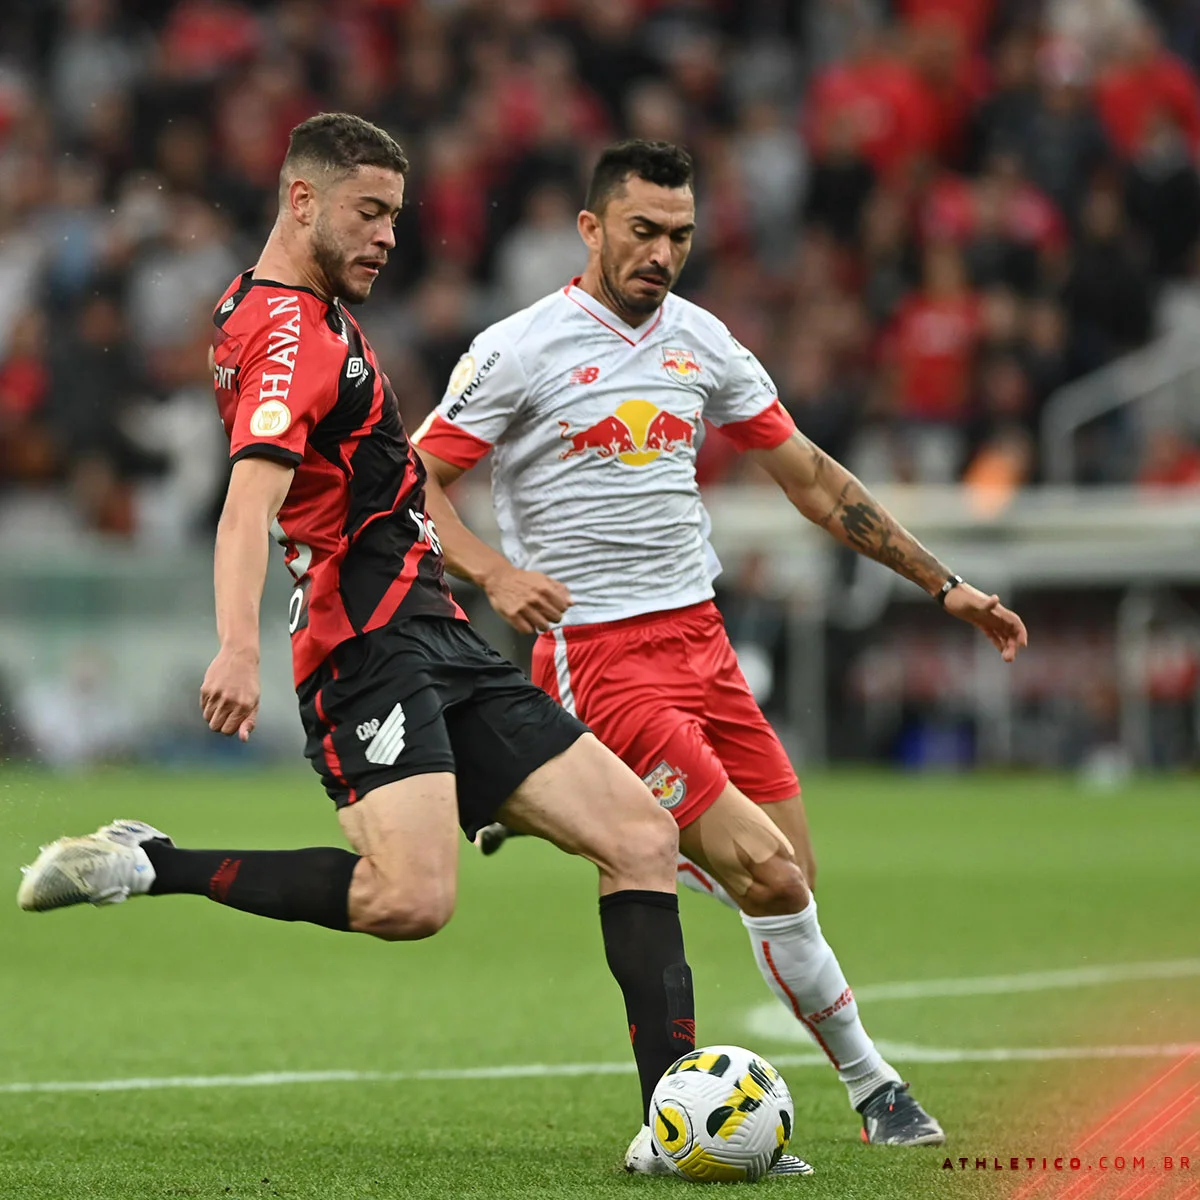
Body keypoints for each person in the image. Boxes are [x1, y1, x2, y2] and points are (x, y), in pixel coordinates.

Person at [16, 115, 734, 1175]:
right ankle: (149, 863)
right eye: (369, 211)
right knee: (412, 901)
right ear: (300, 201)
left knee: (641, 837)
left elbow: (360, 475)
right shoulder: (290, 336)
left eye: (396, 214)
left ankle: (674, 1132)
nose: (390, 236)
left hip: (436, 633)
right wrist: (236, 647)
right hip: (364, 655)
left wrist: (476, 572)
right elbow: (243, 503)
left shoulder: (293, 313)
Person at [412, 139, 1030, 1158]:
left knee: (792, 877)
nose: (661, 252)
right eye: (642, 231)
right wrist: (491, 573)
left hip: (705, 642)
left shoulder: (704, 342)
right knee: (771, 876)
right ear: (591, 228)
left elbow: (817, 482)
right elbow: (412, 479)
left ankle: (557, 803)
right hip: (599, 656)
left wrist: (946, 584)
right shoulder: (519, 349)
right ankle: (876, 1092)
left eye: (680, 235)